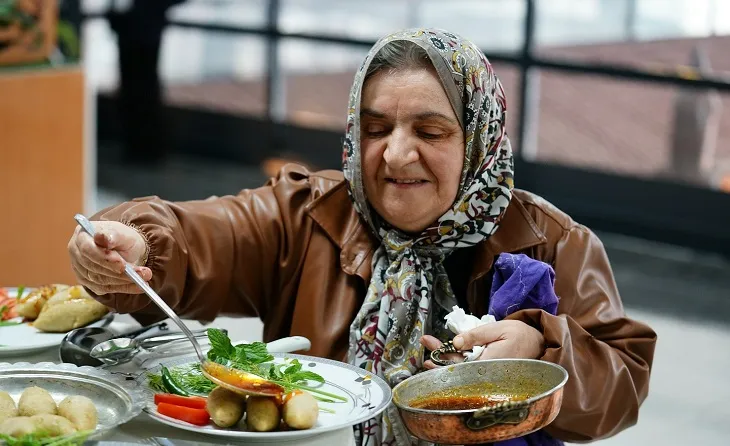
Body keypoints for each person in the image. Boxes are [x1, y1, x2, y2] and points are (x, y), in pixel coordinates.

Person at [68, 28, 656, 446]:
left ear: (478, 141)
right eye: (376, 129)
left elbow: (622, 385)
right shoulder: (309, 214)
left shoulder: (549, 240)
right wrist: (139, 245)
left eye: (430, 130)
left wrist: (542, 348)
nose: (397, 154)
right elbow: (198, 234)